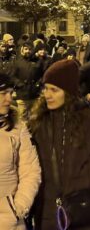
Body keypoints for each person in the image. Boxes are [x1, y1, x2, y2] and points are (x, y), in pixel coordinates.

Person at [29, 59, 90, 230]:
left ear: (69, 91)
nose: (47, 95)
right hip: (47, 211)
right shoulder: (38, 121)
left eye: (54, 90)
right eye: (46, 88)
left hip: (83, 209)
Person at [0, 72, 41, 229]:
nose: (9, 99)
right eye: (4, 93)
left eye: (11, 93)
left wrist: (18, 208)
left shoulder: (18, 128)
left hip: (9, 221)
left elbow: (31, 171)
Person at [11, 43, 45, 122]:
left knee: (34, 118)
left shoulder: (38, 61)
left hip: (34, 94)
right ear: (22, 50)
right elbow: (12, 76)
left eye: (30, 49)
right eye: (26, 49)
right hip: (22, 95)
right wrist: (19, 84)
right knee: (22, 118)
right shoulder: (17, 61)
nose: (28, 51)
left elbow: (43, 74)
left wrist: (38, 84)